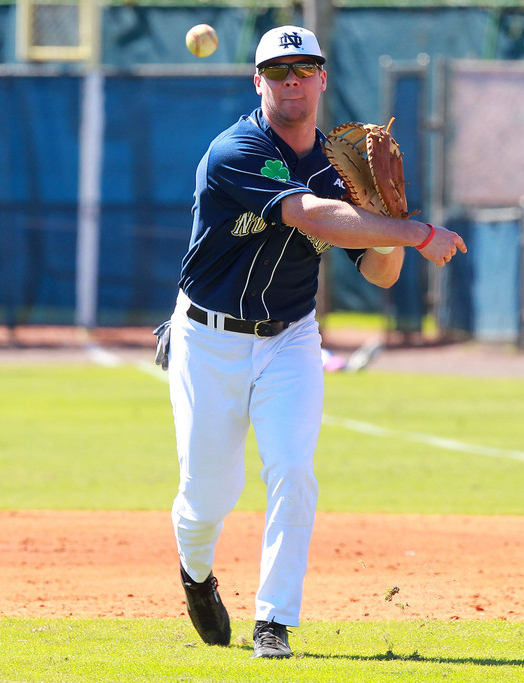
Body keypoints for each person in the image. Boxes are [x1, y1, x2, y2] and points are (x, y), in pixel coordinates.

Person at [165, 25, 466, 658]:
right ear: (259, 83)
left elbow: (379, 272)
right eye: (278, 71)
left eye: (304, 67)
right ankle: (195, 573)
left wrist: (386, 227)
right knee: (208, 494)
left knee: (293, 472)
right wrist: (412, 229)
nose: (292, 79)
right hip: (210, 339)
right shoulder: (237, 149)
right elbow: (306, 214)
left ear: (324, 78)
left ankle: (273, 621)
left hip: (291, 338)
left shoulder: (340, 164)